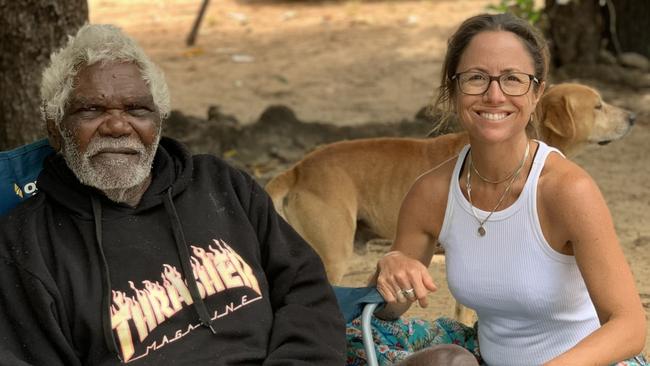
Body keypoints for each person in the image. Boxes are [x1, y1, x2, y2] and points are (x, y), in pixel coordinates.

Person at [0, 24, 346, 365]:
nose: (119, 126)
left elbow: (306, 289)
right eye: (91, 110)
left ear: (159, 122)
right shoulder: (27, 244)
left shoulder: (222, 186)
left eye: (137, 109)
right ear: (56, 128)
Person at [373, 13, 647, 366]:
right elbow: (386, 310)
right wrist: (391, 266)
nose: (494, 95)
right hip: (487, 356)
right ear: (453, 90)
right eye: (476, 78)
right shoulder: (431, 192)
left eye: (513, 79)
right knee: (341, 335)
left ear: (536, 94)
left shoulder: (567, 190)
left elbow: (629, 326)